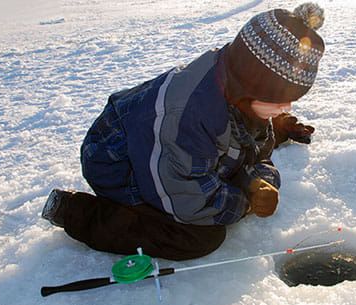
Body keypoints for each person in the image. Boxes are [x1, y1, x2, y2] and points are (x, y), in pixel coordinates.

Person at [41, 3, 325, 260]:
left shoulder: (238, 90)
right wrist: (246, 201)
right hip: (116, 160)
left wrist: (258, 181)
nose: (286, 106)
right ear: (251, 84)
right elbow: (191, 203)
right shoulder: (189, 117)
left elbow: (256, 151)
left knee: (226, 163)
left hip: (167, 150)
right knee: (199, 236)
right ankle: (76, 212)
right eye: (278, 100)